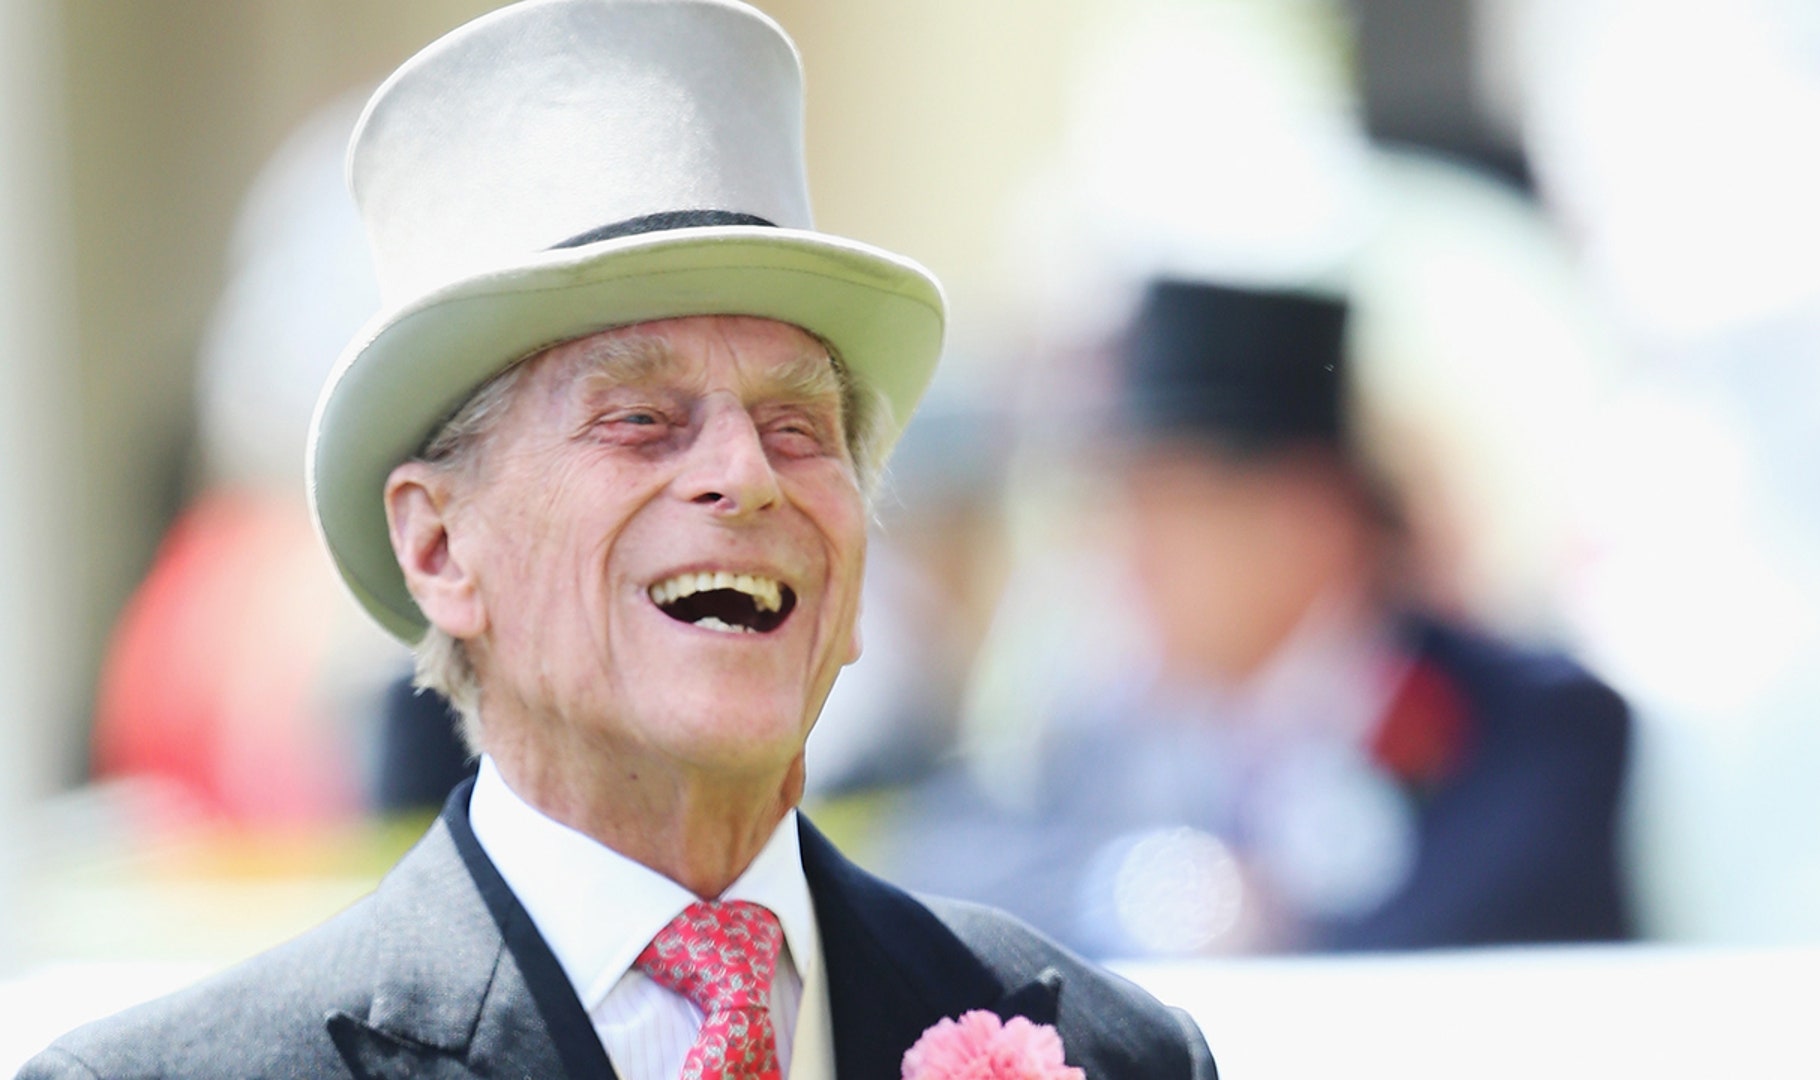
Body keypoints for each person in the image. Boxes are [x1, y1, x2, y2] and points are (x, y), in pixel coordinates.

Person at [19, 3, 1215, 1078]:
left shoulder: (1112, 1055)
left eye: (798, 428)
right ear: (439, 549)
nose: (747, 476)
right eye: (642, 420)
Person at [879, 277, 1633, 955]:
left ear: (1306, 522)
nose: (1130, 556)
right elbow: (936, 877)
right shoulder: (1114, 727)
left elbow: (1451, 948)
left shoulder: (1534, 726)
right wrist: (1145, 894)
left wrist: (1274, 924)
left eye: (1169, 507)